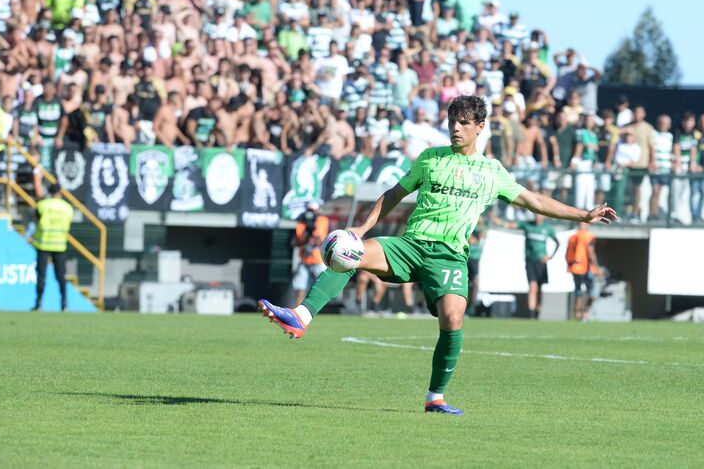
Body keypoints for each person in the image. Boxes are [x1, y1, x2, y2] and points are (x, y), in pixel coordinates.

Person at [256, 96, 617, 415]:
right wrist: (363, 230)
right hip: (412, 244)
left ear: (480, 127)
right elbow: (393, 194)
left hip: (449, 256)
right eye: (451, 122)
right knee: (350, 253)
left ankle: (435, 397)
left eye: (463, 123)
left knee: (453, 318)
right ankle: (301, 316)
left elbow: (535, 201)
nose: (455, 128)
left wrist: (583, 215)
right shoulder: (430, 159)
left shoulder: (492, 172)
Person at [31, 183, 75, 311]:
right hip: (60, 245)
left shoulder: (42, 205)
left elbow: (36, 220)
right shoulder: (67, 208)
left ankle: (38, 303)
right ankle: (64, 304)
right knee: (61, 277)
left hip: (43, 244)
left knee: (41, 276)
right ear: (60, 193)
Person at [519, 212, 560, 320]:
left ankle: (537, 312)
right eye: (536, 214)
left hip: (541, 263)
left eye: (540, 215)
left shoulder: (547, 228)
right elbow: (511, 225)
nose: (538, 216)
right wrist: (497, 221)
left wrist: (550, 256)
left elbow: (557, 242)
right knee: (533, 287)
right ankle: (531, 315)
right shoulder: (527, 225)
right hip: (530, 262)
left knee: (540, 289)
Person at [291, 203, 330, 305]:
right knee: (300, 286)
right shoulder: (301, 223)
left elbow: (319, 240)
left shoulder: (322, 220)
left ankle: (324, 308)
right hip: (304, 259)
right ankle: (297, 309)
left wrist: (311, 237)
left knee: (324, 285)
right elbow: (295, 242)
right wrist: (305, 236)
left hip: (318, 259)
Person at [566, 223, 601, 321]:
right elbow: (591, 253)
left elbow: (568, 254)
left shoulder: (572, 237)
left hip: (575, 267)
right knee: (592, 292)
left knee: (578, 291)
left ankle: (577, 314)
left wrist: (570, 265)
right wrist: (597, 268)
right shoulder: (589, 236)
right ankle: (585, 312)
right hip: (587, 267)